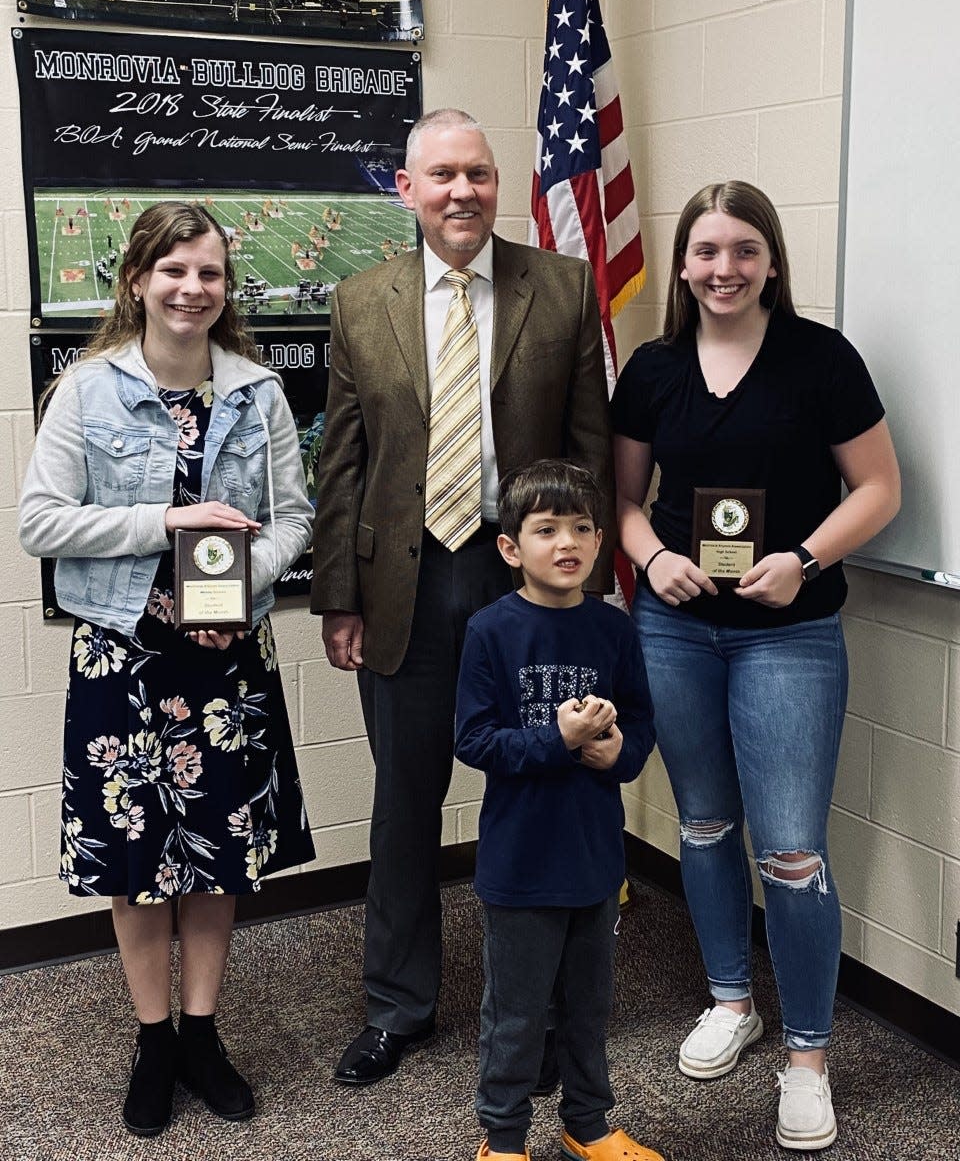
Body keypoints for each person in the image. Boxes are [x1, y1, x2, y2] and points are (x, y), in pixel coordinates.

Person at [311, 108, 614, 1087]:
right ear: (406, 189)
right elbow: (343, 464)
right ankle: (399, 1005)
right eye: (440, 175)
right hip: (403, 583)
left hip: (522, 582)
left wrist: (587, 594)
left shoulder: (561, 288)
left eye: (477, 174)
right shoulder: (361, 300)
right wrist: (338, 598)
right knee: (405, 803)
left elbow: (589, 450)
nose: (461, 192)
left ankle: (546, 1004)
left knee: (538, 791)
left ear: (498, 183)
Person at [611, 181, 900, 1152]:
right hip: (676, 628)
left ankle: (808, 1055)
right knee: (702, 822)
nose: (723, 268)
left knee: (790, 847)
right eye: (705, 251)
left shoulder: (821, 359)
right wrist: (653, 558)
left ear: (771, 258)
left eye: (743, 249)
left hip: (790, 633)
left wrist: (805, 559)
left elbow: (880, 486)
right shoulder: (652, 368)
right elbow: (625, 501)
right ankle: (731, 999)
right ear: (683, 264)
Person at [18, 202, 315, 1137]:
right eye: (175, 270)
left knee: (219, 852)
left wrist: (245, 593)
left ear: (227, 289)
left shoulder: (259, 393)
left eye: (211, 274)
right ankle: (152, 1039)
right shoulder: (85, 389)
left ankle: (200, 1031)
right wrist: (168, 523)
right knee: (135, 853)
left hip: (225, 658)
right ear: (139, 279)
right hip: (122, 655)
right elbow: (40, 521)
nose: (193, 289)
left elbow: (295, 519)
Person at [455, 460, 661, 1161]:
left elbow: (639, 722)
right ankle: (504, 1138)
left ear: (601, 541)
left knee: (588, 1008)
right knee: (514, 1014)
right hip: (520, 862)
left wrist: (617, 753)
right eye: (546, 529)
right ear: (512, 548)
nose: (566, 542)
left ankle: (589, 1124)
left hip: (595, 857)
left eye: (580, 528)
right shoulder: (490, 630)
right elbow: (475, 739)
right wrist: (559, 739)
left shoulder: (613, 630)